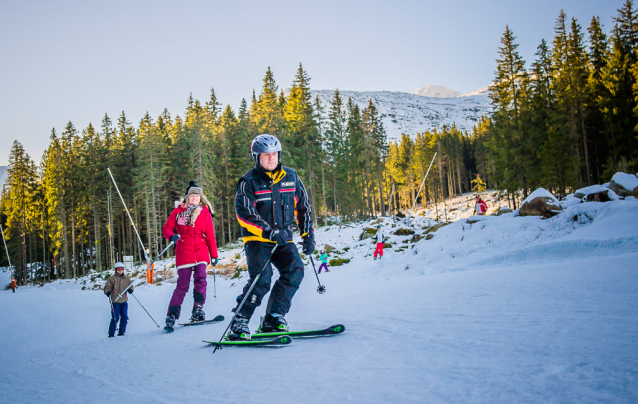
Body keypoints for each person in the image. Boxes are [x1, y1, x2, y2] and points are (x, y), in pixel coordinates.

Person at [230, 134, 314, 340]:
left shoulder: (291, 177)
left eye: (274, 154)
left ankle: (273, 317)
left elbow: (303, 209)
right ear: (256, 157)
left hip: (283, 238)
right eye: (266, 155)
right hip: (257, 239)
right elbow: (245, 214)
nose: (271, 158)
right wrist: (268, 231)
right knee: (262, 280)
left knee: (295, 270)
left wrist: (308, 236)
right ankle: (240, 320)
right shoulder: (248, 181)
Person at [162, 181, 218, 329]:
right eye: (192, 196)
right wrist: (172, 236)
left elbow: (210, 235)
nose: (194, 198)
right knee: (183, 285)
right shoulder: (179, 211)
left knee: (201, 279)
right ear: (187, 197)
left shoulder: (205, 212)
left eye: (197, 196)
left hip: (201, 250)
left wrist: (214, 254)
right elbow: (166, 228)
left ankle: (198, 309)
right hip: (184, 250)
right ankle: (172, 315)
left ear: (201, 198)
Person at [104, 262, 134, 338]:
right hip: (115, 302)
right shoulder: (112, 279)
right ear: (116, 270)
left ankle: (121, 332)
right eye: (118, 269)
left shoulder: (126, 278)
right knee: (115, 317)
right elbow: (107, 287)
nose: (120, 271)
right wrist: (107, 292)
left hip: (124, 301)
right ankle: (111, 334)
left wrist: (131, 289)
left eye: (121, 269)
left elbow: (131, 285)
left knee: (124, 317)